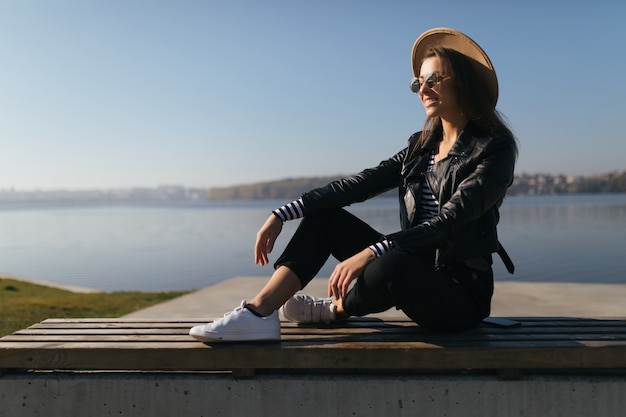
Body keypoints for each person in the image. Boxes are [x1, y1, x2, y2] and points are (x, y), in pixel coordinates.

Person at [189, 27, 518, 342]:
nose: (424, 90)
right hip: (410, 267)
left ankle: (335, 309)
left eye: (434, 78)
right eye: (417, 83)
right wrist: (283, 213)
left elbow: (452, 219)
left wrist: (373, 250)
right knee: (325, 219)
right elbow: (360, 185)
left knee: (392, 262)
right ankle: (258, 314)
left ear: (462, 82)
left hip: (459, 298)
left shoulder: (493, 148)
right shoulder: (420, 147)